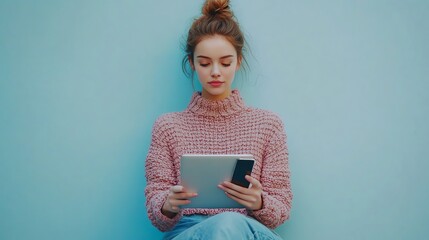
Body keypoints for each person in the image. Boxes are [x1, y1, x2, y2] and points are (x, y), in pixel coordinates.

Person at [145, 0, 292, 239]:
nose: (215, 71)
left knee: (230, 223)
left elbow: (282, 209)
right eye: (204, 63)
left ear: (238, 61)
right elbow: (156, 212)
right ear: (192, 63)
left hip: (248, 230)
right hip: (190, 231)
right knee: (224, 225)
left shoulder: (268, 125)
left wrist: (259, 202)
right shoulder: (167, 127)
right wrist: (168, 204)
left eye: (225, 62)